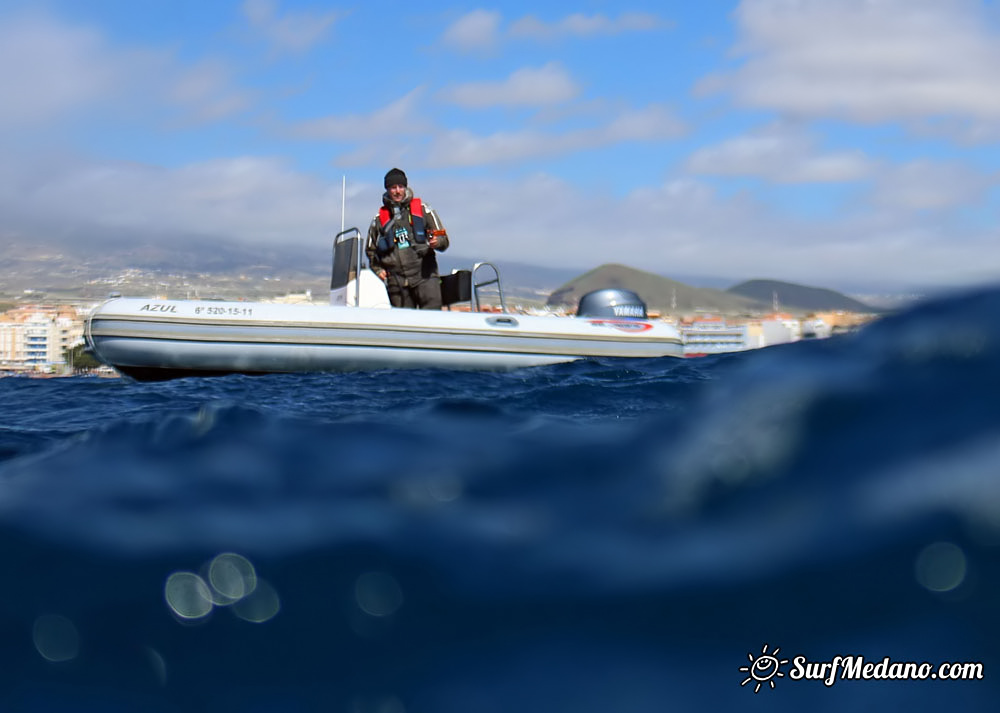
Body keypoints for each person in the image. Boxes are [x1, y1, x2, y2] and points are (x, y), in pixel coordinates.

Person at [366, 168, 449, 309]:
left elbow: (443, 237)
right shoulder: (379, 219)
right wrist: (378, 270)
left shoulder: (423, 210)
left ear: (405, 187)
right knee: (404, 325)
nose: (397, 191)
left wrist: (438, 241)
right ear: (387, 189)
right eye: (393, 187)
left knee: (433, 322)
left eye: (400, 187)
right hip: (397, 283)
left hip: (425, 277)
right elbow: (370, 250)